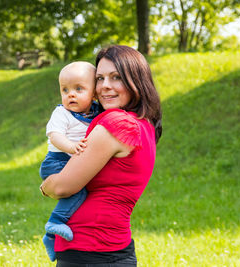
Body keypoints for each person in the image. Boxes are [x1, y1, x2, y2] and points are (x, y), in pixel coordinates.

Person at [39, 45, 162, 266]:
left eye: (116, 78)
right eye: (99, 78)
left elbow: (61, 187)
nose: (105, 86)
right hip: (110, 247)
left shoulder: (118, 123)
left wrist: (46, 186)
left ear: (137, 81)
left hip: (91, 251)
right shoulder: (144, 124)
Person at [39, 61, 99, 262]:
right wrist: (71, 146)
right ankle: (55, 222)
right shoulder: (61, 113)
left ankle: (50, 238)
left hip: (71, 159)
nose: (70, 94)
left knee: (83, 193)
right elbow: (55, 136)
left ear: (94, 93)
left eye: (78, 89)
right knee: (78, 190)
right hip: (57, 160)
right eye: (65, 90)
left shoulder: (96, 112)